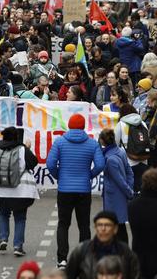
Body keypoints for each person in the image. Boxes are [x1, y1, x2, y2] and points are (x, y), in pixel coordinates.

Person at [47, 114, 105, 268]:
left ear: (69, 125)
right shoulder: (92, 144)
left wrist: (58, 175)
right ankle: (84, 257)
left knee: (63, 224)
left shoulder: (59, 142)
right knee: (84, 225)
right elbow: (100, 164)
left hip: (65, 189)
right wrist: (89, 175)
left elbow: (50, 163)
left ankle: (62, 259)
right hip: (83, 190)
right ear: (83, 126)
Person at [0, 127, 39, 257]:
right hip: (20, 191)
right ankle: (18, 246)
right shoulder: (23, 150)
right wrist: (28, 148)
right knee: (20, 218)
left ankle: (3, 239)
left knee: (3, 214)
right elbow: (33, 163)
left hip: (1, 190)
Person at [65, 211, 140, 279]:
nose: (103, 229)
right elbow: (68, 275)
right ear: (95, 227)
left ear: (115, 229)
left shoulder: (125, 252)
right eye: (99, 225)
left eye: (107, 225)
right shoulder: (82, 250)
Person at [99, 129, 133, 244]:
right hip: (120, 195)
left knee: (117, 226)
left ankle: (120, 252)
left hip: (114, 197)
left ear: (103, 141)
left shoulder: (110, 160)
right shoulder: (120, 151)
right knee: (119, 225)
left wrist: (129, 192)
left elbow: (119, 180)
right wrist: (130, 187)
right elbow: (129, 172)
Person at [114, 104, 149, 191]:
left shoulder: (121, 124)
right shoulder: (143, 123)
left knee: (130, 190)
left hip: (128, 162)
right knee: (141, 189)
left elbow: (115, 143)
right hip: (144, 160)